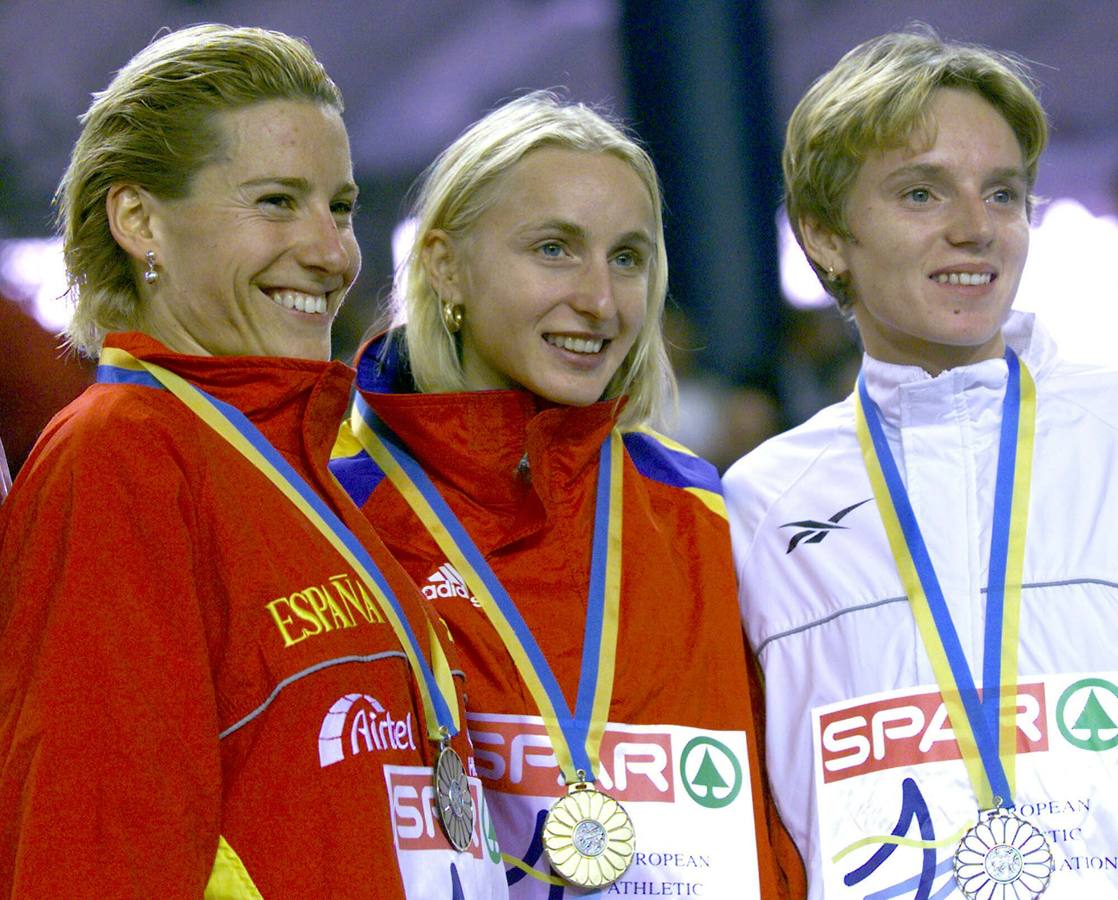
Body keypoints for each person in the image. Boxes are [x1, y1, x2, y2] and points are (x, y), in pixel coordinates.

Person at [0, 25, 507, 898]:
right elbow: (93, 851)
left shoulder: (307, 470)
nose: (333, 252)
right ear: (138, 220)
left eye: (340, 207)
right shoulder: (120, 458)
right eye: (276, 201)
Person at [329, 91, 804, 897]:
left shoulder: (695, 509)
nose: (600, 300)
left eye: (627, 257)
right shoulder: (343, 510)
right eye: (554, 249)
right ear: (445, 264)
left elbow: (767, 820)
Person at [724, 27, 1118, 899]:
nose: (976, 229)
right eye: (921, 193)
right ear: (826, 236)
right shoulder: (759, 505)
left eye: (1004, 194)